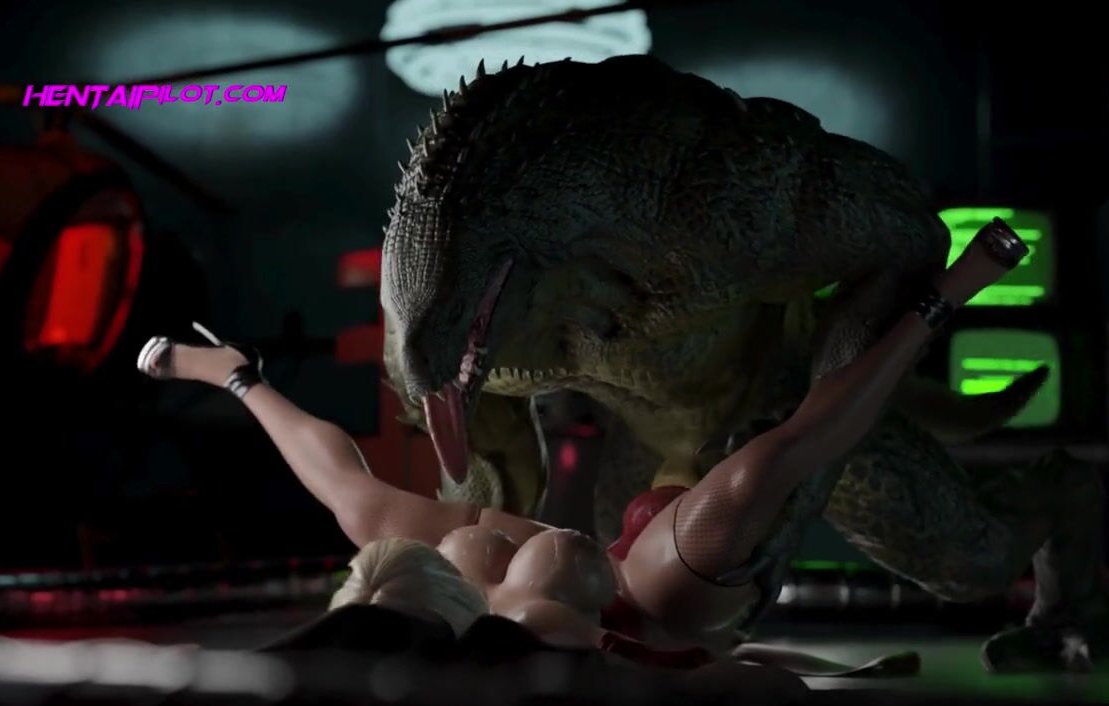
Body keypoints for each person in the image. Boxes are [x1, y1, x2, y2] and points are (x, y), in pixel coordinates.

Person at [137, 219, 1027, 668]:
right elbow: (802, 446)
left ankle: (234, 375)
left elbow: (349, 515)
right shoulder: (656, 588)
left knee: (361, 509)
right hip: (635, 609)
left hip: (501, 601)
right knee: (770, 465)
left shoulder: (446, 593)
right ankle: (939, 303)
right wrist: (949, 295)